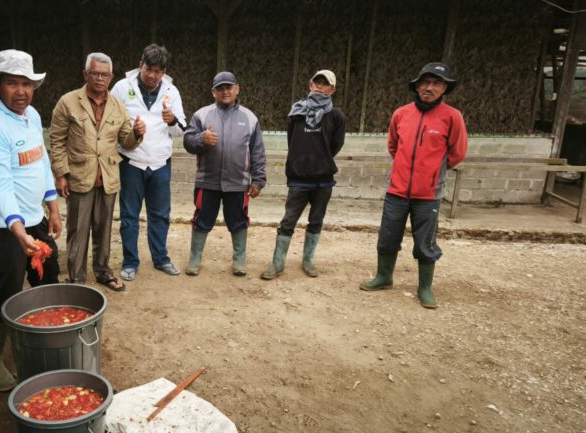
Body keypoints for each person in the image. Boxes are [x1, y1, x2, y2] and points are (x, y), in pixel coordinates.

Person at [0, 50, 63, 391]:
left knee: (49, 278)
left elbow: (41, 163)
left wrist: (52, 207)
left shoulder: (32, 115)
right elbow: (0, 183)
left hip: (35, 219)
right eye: (12, 83)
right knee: (5, 292)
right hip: (3, 226)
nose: (21, 91)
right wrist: (18, 229)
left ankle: (46, 343)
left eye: (27, 83)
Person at [360, 62, 468, 309]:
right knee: (388, 236)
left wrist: (433, 173)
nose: (429, 88)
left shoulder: (452, 117)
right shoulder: (401, 114)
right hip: (397, 190)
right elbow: (393, 146)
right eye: (425, 82)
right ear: (417, 86)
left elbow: (457, 153)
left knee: (425, 242)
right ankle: (384, 276)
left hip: (428, 194)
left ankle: (425, 288)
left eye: (436, 83)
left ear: (444, 89)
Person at [50, 52, 146, 291]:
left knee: (104, 230)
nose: (100, 78)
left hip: (108, 177)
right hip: (80, 177)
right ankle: (76, 279)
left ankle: (103, 272)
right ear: (86, 74)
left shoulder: (118, 106)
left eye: (104, 74)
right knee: (78, 231)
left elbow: (127, 141)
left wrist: (137, 133)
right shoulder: (68, 101)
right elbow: (57, 140)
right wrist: (60, 174)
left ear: (111, 77)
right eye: (95, 73)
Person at [110, 44, 185, 282]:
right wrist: (131, 131)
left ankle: (161, 258)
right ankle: (130, 262)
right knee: (130, 215)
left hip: (161, 164)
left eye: (158, 71)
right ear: (140, 64)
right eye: (148, 69)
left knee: (160, 215)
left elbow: (180, 131)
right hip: (131, 162)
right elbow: (111, 122)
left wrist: (172, 120)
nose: (152, 75)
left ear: (164, 72)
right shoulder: (122, 87)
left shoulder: (172, 91)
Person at [261, 69, 346, 280]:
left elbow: (336, 145)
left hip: (323, 179)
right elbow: (293, 141)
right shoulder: (297, 112)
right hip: (299, 178)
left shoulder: (336, 116)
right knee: (288, 220)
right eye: (316, 82)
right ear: (310, 85)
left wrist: (320, 160)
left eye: (324, 83)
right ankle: (277, 263)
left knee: (316, 220)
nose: (319, 86)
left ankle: (307, 261)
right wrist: (302, 160)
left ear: (332, 90)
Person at [182, 71, 266, 276]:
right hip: (207, 181)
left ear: (237, 89)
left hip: (238, 182)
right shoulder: (201, 115)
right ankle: (195, 259)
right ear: (213, 92)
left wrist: (258, 179)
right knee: (202, 219)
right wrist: (202, 138)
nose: (225, 91)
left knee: (238, 220)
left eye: (229, 87)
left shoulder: (250, 118)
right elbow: (188, 141)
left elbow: (257, 151)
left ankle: (239, 260)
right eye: (220, 88)